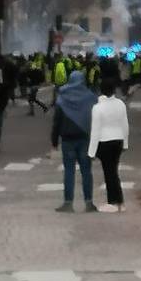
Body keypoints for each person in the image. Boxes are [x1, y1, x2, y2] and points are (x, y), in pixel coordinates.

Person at [51, 71, 98, 213]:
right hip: (84, 138)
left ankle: (68, 202)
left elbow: (56, 121)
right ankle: (89, 202)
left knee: (69, 171)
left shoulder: (63, 97)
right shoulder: (90, 97)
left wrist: (54, 140)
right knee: (86, 171)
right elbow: (95, 118)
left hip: (67, 139)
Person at [89, 78, 129, 213]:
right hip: (118, 140)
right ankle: (120, 201)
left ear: (100, 91)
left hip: (104, 141)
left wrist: (91, 151)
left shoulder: (97, 108)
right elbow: (125, 124)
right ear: (114, 90)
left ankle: (113, 202)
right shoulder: (120, 104)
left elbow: (95, 130)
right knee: (114, 171)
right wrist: (125, 143)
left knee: (109, 173)